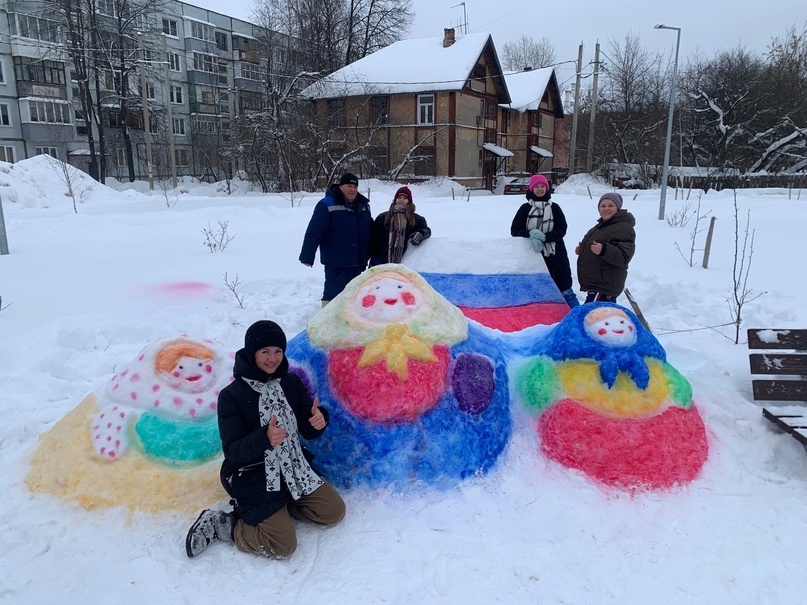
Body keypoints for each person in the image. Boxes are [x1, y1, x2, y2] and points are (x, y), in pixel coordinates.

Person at [185, 320, 345, 559]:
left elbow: (307, 427)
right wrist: (264, 438)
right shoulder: (231, 396)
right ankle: (224, 526)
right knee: (282, 545)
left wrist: (319, 420)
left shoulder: (291, 383)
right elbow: (233, 451)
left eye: (278, 351)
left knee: (333, 512)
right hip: (251, 473)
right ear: (252, 353)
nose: (273, 358)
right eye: (265, 352)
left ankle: (280, 505)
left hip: (292, 465)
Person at [299, 173, 372, 306]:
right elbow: (314, 231)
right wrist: (307, 256)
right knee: (333, 296)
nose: (352, 189)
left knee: (354, 296)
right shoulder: (326, 205)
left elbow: (369, 229)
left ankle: (351, 323)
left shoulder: (363, 205)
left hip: (357, 260)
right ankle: (327, 321)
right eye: (349, 186)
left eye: (355, 186)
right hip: (336, 260)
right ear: (340, 187)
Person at [510, 174, 579, 308]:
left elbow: (562, 229)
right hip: (533, 254)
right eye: (537, 186)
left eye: (543, 186)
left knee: (565, 288)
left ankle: (577, 315)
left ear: (547, 189)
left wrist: (545, 237)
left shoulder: (554, 208)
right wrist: (531, 233)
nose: (540, 189)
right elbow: (515, 230)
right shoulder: (525, 209)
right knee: (537, 291)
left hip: (556, 253)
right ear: (531, 189)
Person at [575, 192, 636, 303]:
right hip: (598, 285)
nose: (606, 209)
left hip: (604, 286)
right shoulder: (602, 226)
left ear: (618, 207)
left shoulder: (622, 227)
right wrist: (583, 249)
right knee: (600, 318)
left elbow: (624, 257)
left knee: (590, 316)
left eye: (610, 205)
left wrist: (603, 250)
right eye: (603, 206)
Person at [369, 186, 431, 266]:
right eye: (399, 197)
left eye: (405, 198)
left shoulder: (416, 219)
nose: (401, 200)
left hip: (403, 264)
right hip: (380, 262)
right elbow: (373, 238)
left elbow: (427, 230)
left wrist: (421, 233)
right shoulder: (383, 217)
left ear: (409, 201)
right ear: (395, 199)